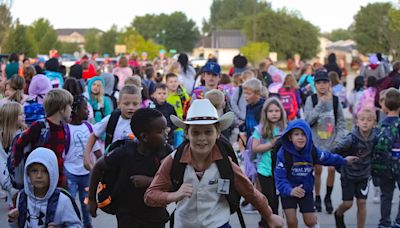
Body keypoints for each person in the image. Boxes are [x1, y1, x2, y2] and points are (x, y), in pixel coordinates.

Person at [144, 99, 283, 228]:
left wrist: (269, 215)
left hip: (218, 224)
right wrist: (173, 196)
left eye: (208, 132)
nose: (202, 138)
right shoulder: (174, 160)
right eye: (196, 132)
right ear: (187, 134)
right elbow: (150, 195)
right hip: (184, 224)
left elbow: (250, 192)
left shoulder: (225, 163)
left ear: (217, 133)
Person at [88, 108, 170, 227]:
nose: (166, 133)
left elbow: (173, 181)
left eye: (165, 129)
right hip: (128, 215)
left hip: (155, 215)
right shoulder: (125, 153)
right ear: (144, 137)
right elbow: (98, 167)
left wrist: (149, 182)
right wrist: (91, 199)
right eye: (160, 131)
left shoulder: (166, 152)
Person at [274, 119, 358, 228]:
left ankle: (314, 223)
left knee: (310, 221)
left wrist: (344, 161)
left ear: (308, 136)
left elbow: (328, 158)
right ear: (290, 137)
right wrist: (290, 190)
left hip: (306, 190)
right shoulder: (283, 154)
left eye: (304, 134)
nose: (300, 137)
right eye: (296, 134)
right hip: (288, 190)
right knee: (291, 221)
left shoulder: (312, 151)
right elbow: (280, 178)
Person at [12, 89, 73, 187]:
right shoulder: (40, 126)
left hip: (57, 180)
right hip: (39, 182)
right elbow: (19, 145)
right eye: (70, 106)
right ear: (62, 109)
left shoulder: (63, 128)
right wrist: (23, 174)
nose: (71, 109)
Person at [304, 70, 346, 213]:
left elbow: (341, 122)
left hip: (332, 142)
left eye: (325, 82)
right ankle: (317, 197)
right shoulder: (312, 100)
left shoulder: (335, 100)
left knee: (332, 169)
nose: (322, 85)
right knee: (317, 169)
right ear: (315, 85)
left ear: (329, 84)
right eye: (319, 83)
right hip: (316, 142)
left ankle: (328, 197)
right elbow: (308, 120)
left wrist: (339, 140)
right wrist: (321, 104)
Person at [8, 147, 82, 227]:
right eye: (34, 170)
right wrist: (14, 220)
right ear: (28, 173)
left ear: (53, 173)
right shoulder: (23, 197)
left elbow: (76, 225)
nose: (39, 176)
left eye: (45, 171)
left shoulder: (62, 201)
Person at [332, 108, 376, 228]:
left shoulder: (376, 136)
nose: (365, 122)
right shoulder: (351, 138)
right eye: (362, 119)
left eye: (369, 120)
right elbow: (335, 151)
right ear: (357, 122)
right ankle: (338, 213)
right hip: (348, 175)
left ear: (374, 123)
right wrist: (341, 166)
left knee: (362, 202)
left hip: (364, 176)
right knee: (347, 204)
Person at [65, 95, 102, 228]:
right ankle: (74, 223)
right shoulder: (66, 128)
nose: (88, 112)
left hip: (86, 172)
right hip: (69, 171)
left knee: (86, 200)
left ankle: (87, 224)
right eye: (85, 109)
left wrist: (102, 163)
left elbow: (96, 148)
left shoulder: (88, 127)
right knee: (71, 201)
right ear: (75, 111)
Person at [84, 85, 141, 170]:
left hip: (134, 167)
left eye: (135, 104)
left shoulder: (142, 121)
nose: (131, 107)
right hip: (112, 166)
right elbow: (94, 135)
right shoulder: (112, 118)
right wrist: (86, 158)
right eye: (126, 104)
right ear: (119, 104)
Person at [252, 97, 287, 227]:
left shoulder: (284, 129)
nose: (274, 113)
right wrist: (271, 144)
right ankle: (266, 221)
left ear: (281, 112)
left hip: (279, 171)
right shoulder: (260, 130)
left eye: (277, 110)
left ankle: (269, 222)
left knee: (276, 200)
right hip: (264, 170)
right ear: (265, 113)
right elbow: (255, 148)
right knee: (268, 199)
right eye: (271, 111)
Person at [371, 88, 400, 228]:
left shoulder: (380, 126)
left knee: (386, 195)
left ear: (385, 106)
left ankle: (385, 223)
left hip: (384, 167)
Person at [0, 102, 26, 207]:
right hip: (12, 187)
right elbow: (1, 165)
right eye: (20, 114)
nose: (24, 116)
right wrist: (10, 188)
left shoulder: (25, 133)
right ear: (11, 117)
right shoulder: (3, 138)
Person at [150, 83, 177, 147]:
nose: (162, 95)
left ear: (168, 94)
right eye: (159, 93)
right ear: (154, 95)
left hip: (169, 138)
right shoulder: (151, 108)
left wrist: (170, 128)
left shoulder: (170, 107)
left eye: (164, 93)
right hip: (155, 138)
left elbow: (175, 121)